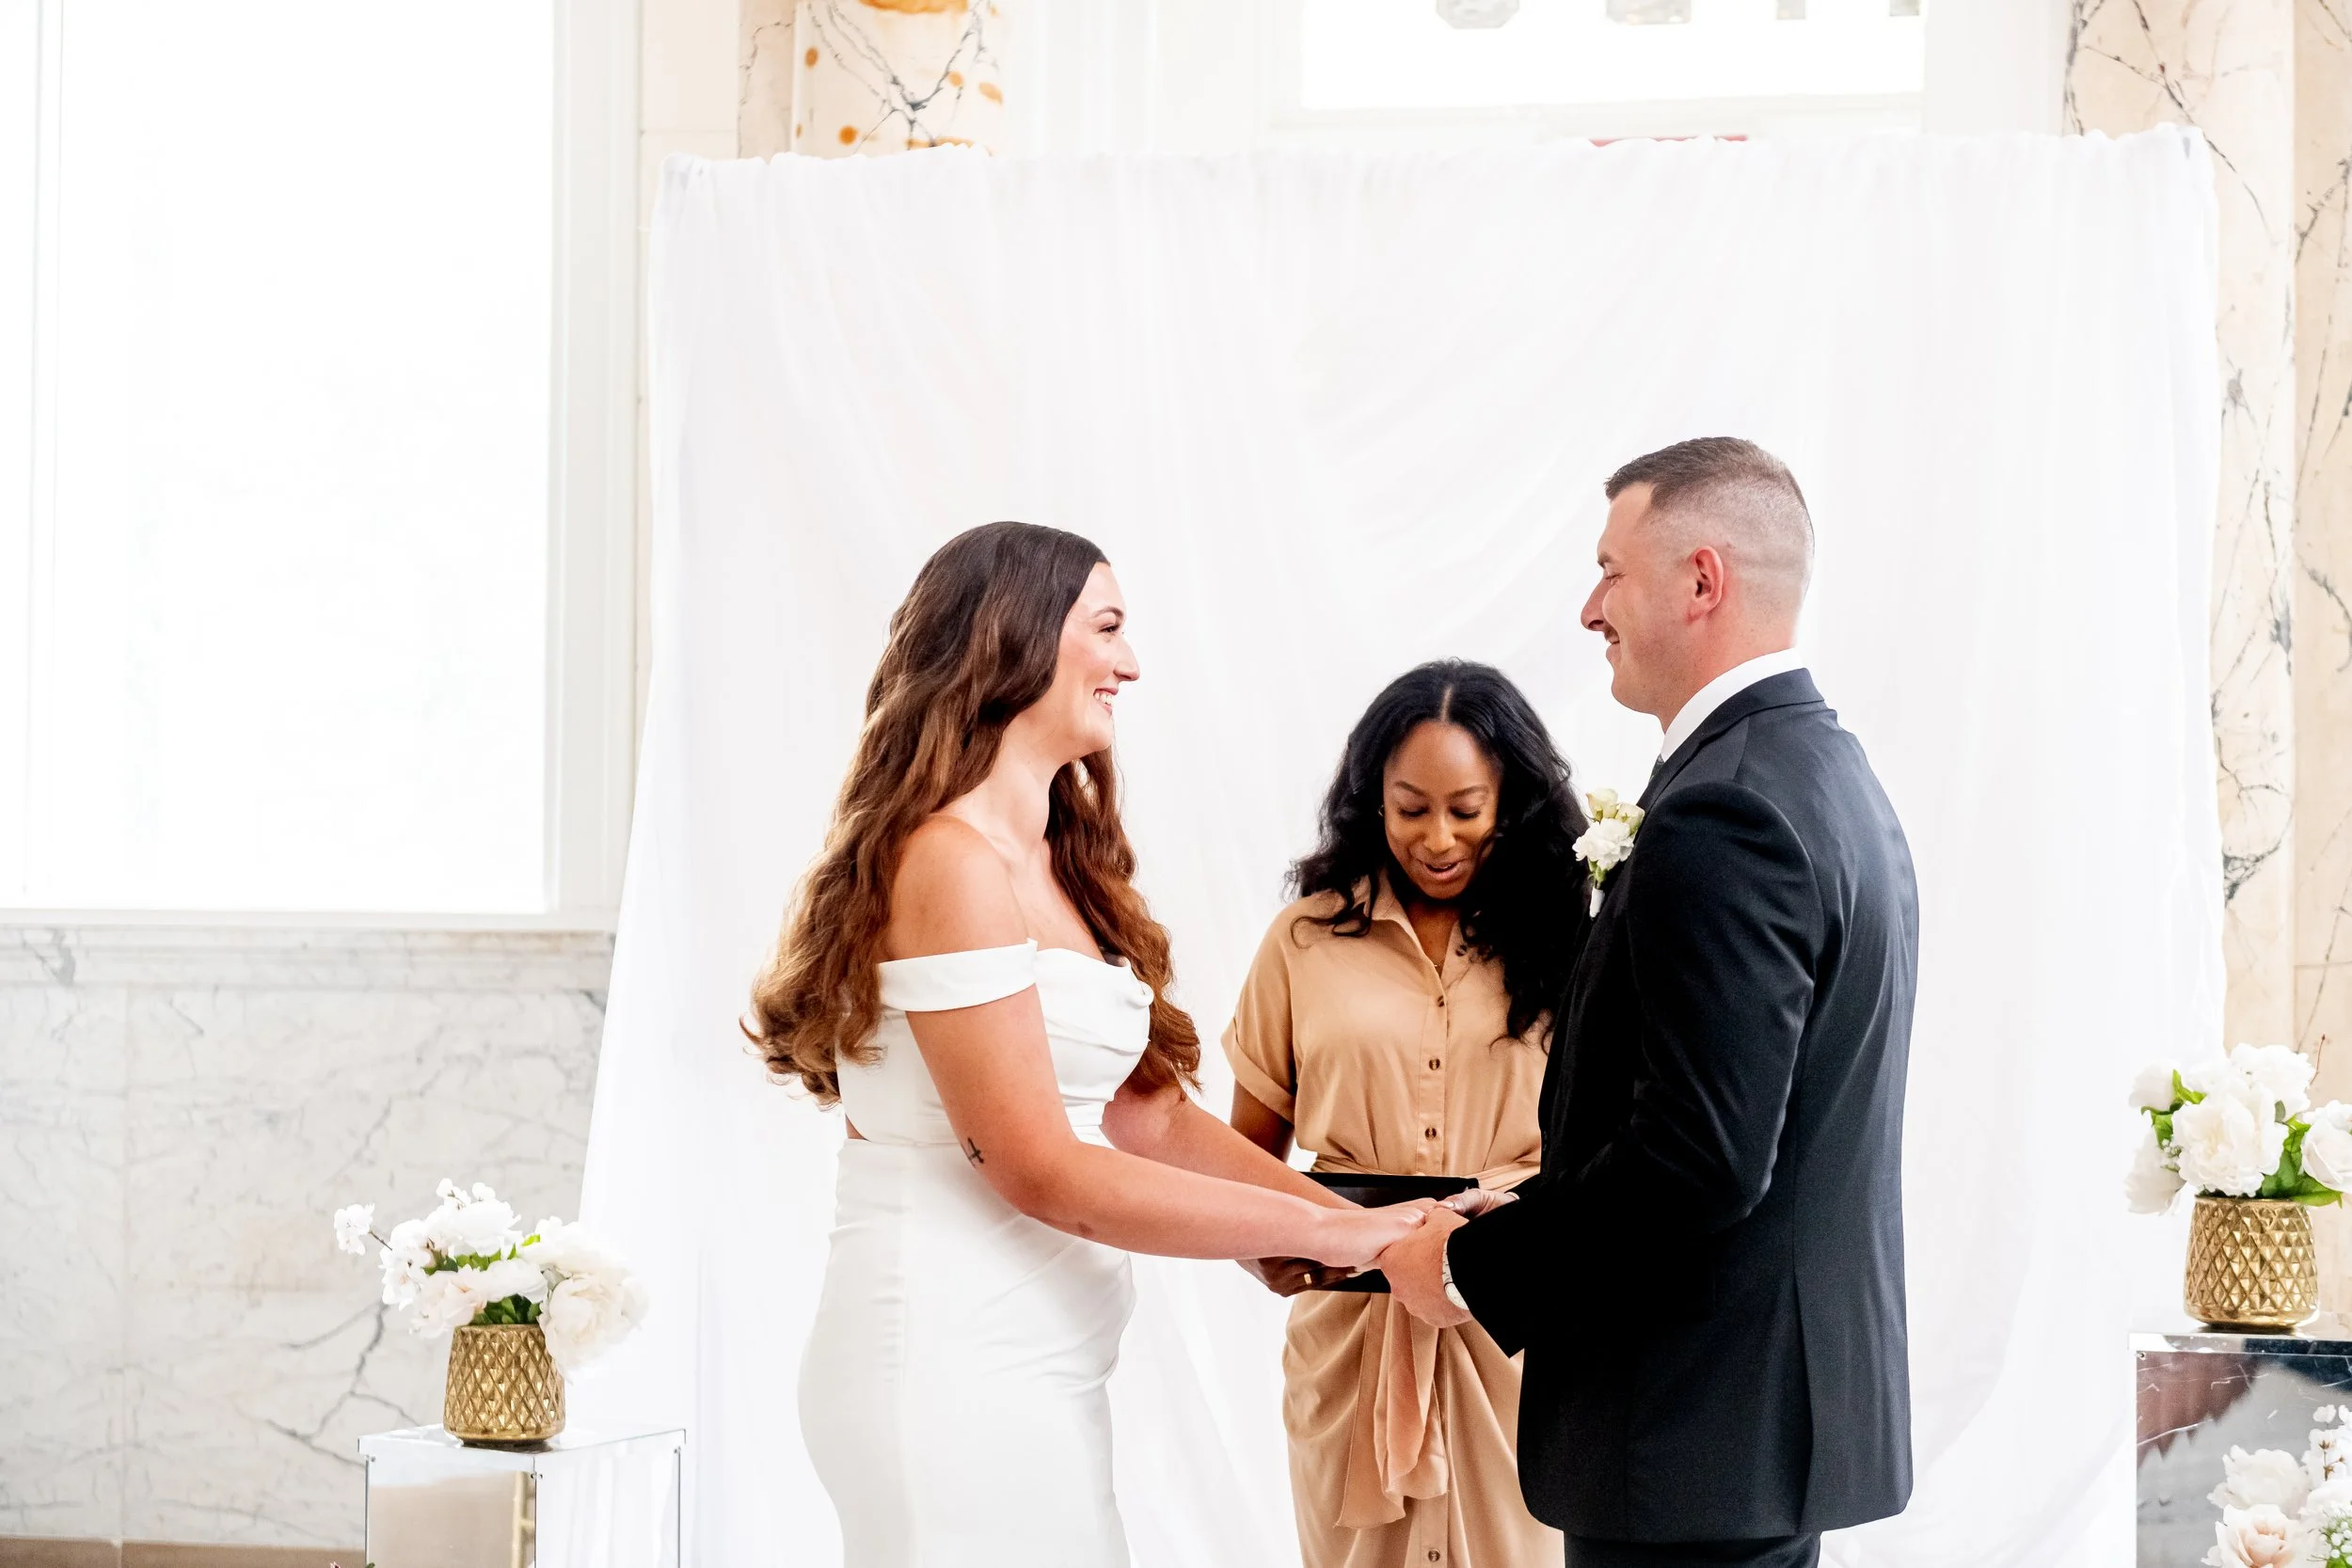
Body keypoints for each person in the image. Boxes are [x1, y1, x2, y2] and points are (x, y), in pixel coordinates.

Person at [745, 521, 1431, 1568]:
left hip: (1037, 1365)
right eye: (1106, 627)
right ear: (1015, 639)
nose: (1131, 662)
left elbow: (1145, 1113)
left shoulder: (1056, 860)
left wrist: (1357, 1224)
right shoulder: (949, 863)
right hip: (944, 1361)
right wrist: (1354, 1240)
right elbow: (1039, 1164)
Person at [1376, 438, 1919, 1568]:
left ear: (1702, 581)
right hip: (1747, 1428)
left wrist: (1480, 1266)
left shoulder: (1726, 812)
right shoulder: (1827, 775)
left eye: (1611, 570)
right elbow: (1738, 1107)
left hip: (1688, 1430)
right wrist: (1531, 1194)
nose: (1589, 608)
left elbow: (1703, 1155)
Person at [1226, 659, 1589, 1568]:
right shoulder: (1304, 939)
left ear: (1513, 801)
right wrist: (1264, 1238)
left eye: (1467, 809)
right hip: (1350, 1332)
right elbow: (1242, 1151)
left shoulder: (1576, 938)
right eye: (1409, 806)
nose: (1437, 837)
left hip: (1520, 1331)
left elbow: (1616, 1145)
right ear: (1369, 800)